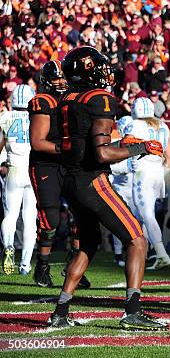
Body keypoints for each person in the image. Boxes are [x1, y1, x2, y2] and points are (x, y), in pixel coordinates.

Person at [50, 46, 166, 330]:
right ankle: (132, 311)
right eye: (98, 65)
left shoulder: (67, 97)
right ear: (87, 69)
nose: (105, 70)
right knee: (138, 240)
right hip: (92, 180)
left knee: (87, 245)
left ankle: (61, 311)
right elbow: (102, 154)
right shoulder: (99, 97)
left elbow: (87, 146)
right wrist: (141, 147)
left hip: (70, 179)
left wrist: (125, 145)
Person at [29, 61, 89, 288]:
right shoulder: (43, 101)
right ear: (47, 80)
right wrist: (66, 149)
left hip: (69, 164)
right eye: (57, 78)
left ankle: (73, 266)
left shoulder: (73, 99)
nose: (62, 82)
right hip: (46, 164)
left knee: (80, 215)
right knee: (51, 218)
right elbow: (37, 142)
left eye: (64, 78)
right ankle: (42, 265)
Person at [124, 98, 170, 270]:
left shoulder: (136, 124)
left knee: (145, 215)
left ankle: (161, 253)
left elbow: (126, 145)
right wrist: (161, 173)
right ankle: (145, 254)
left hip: (142, 172)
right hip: (157, 172)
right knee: (143, 216)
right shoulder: (163, 126)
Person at [0, 84, 37, 276]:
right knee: (30, 219)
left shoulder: (5, 117)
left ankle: (8, 245)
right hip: (32, 170)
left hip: (13, 169)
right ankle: (25, 265)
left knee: (10, 215)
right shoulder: (36, 117)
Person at [110, 115, 137, 268]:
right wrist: (125, 168)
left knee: (140, 221)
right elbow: (111, 168)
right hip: (121, 189)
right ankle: (118, 254)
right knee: (119, 223)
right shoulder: (115, 145)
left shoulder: (137, 143)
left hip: (135, 189)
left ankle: (146, 252)